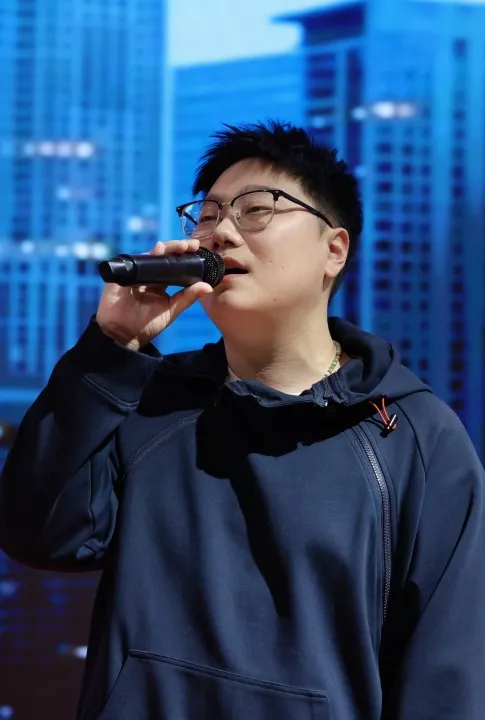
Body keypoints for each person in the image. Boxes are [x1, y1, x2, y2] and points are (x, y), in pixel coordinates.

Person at [1, 120, 484, 720]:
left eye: (257, 209)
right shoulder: (151, 400)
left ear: (334, 249)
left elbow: (446, 678)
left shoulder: (416, 437)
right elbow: (41, 534)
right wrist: (112, 347)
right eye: (207, 216)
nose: (221, 232)